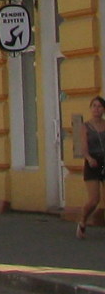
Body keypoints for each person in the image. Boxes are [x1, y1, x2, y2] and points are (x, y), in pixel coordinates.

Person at [77, 95, 105, 239]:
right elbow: (83, 147)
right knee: (94, 200)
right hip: (92, 163)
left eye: (99, 106)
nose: (96, 109)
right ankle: (82, 221)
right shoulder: (85, 126)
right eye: (94, 106)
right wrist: (89, 158)